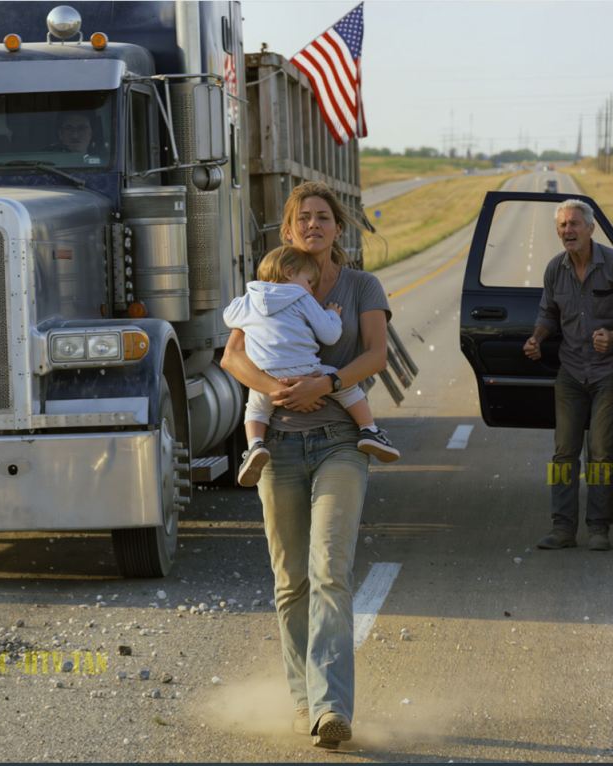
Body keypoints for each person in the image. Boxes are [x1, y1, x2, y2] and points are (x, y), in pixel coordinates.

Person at [221, 181, 392, 748]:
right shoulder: (268, 285)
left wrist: (329, 382)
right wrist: (279, 391)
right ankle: (303, 699)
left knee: (329, 569)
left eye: (323, 217)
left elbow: (374, 354)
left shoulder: (362, 285)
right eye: (302, 218)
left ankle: (330, 708)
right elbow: (233, 357)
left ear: (338, 229)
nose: (312, 225)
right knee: (291, 580)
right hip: (281, 445)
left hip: (341, 442)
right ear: (289, 229)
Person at [523, 199, 613, 552]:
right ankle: (562, 529)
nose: (567, 231)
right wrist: (537, 338)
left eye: (574, 224)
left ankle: (598, 529)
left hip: (611, 370)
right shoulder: (555, 269)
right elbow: (547, 314)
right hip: (572, 370)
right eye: (562, 225)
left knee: (601, 451)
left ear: (590, 228)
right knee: (564, 453)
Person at [223, 245, 400, 486]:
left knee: (255, 409)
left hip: (266, 377)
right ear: (288, 272)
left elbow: (228, 317)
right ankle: (369, 430)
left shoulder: (248, 301)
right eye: (308, 281)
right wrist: (333, 315)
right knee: (347, 387)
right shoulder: (301, 297)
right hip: (306, 370)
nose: (310, 288)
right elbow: (329, 335)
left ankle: (254, 446)